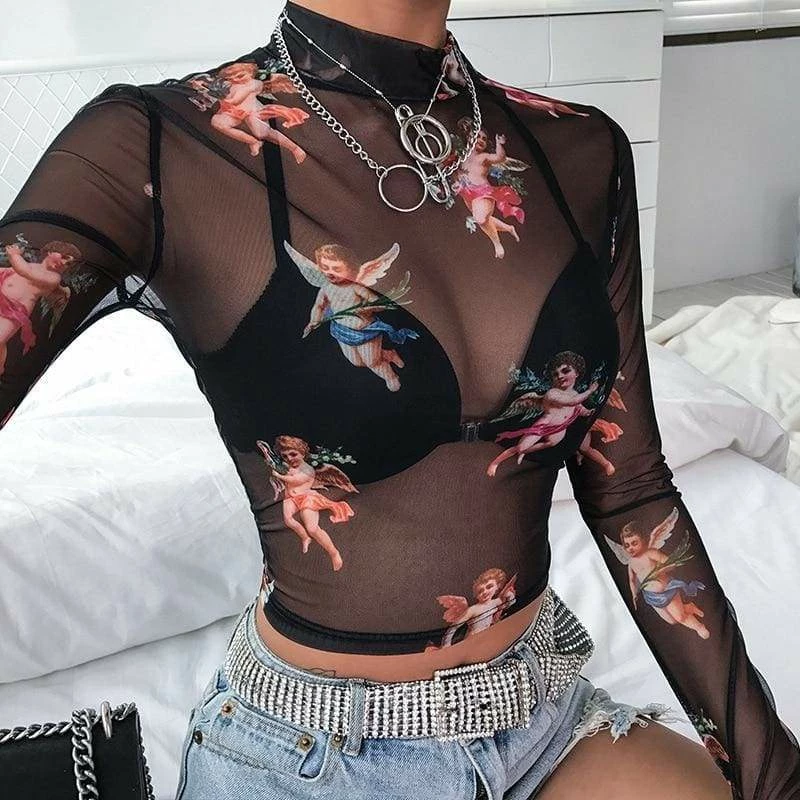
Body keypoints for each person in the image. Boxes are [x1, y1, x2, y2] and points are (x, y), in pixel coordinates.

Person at [1, 1, 798, 798]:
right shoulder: (157, 143)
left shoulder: (581, 149)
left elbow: (631, 492)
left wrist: (774, 775)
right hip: (315, 758)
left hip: (544, 717)